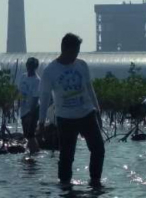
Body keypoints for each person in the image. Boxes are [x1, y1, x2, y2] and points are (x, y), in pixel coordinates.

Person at [38, 33, 104, 187]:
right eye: (74, 52)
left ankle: (95, 181)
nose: (76, 55)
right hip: (65, 118)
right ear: (64, 49)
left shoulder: (82, 65)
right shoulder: (50, 71)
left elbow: (89, 88)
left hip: (87, 113)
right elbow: (45, 97)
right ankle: (65, 185)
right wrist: (41, 122)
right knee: (67, 155)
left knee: (98, 149)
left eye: (78, 51)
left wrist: (98, 111)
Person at [16, 57, 41, 154]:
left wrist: (31, 114)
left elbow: (35, 99)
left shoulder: (37, 80)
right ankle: (32, 153)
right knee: (27, 135)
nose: (29, 68)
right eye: (28, 66)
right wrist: (10, 102)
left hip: (33, 110)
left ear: (35, 67)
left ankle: (35, 153)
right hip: (23, 110)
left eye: (31, 67)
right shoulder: (23, 76)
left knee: (31, 135)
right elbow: (18, 90)